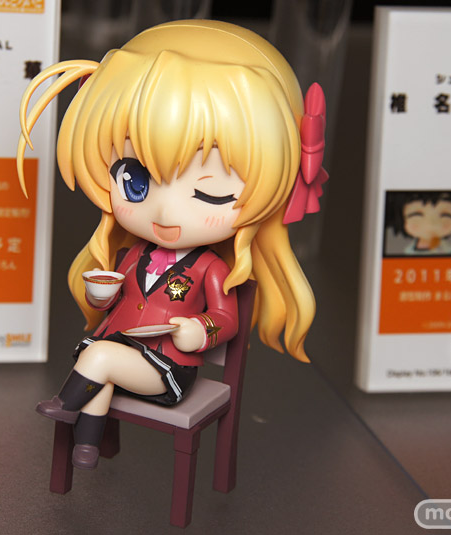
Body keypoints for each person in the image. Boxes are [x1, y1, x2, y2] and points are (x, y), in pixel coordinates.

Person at [17, 20, 328, 469]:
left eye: (210, 194)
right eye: (135, 181)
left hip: (169, 369)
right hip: (123, 353)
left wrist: (201, 330)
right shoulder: (132, 256)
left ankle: (67, 407)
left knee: (98, 359)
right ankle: (87, 442)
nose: (164, 212)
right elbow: (117, 300)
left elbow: (226, 317)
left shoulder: (210, 269)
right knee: (101, 361)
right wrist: (100, 295)